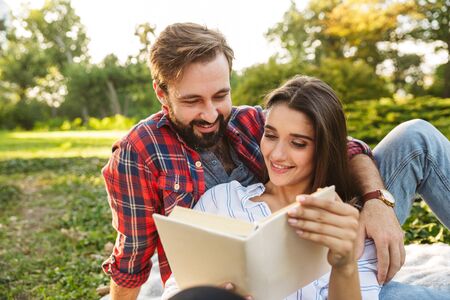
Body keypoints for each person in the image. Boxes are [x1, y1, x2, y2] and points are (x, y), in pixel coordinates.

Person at [101, 22, 450, 299]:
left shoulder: (250, 120)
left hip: (345, 239)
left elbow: (344, 147)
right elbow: (132, 257)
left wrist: (376, 201)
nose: (210, 114)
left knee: (416, 138)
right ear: (162, 92)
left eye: (220, 95)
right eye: (193, 101)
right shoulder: (141, 152)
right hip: (239, 274)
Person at [161, 75, 450, 300]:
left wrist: (344, 264)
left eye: (298, 143)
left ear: (323, 149)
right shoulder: (222, 200)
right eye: (270, 135)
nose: (277, 155)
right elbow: (176, 288)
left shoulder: (345, 220)